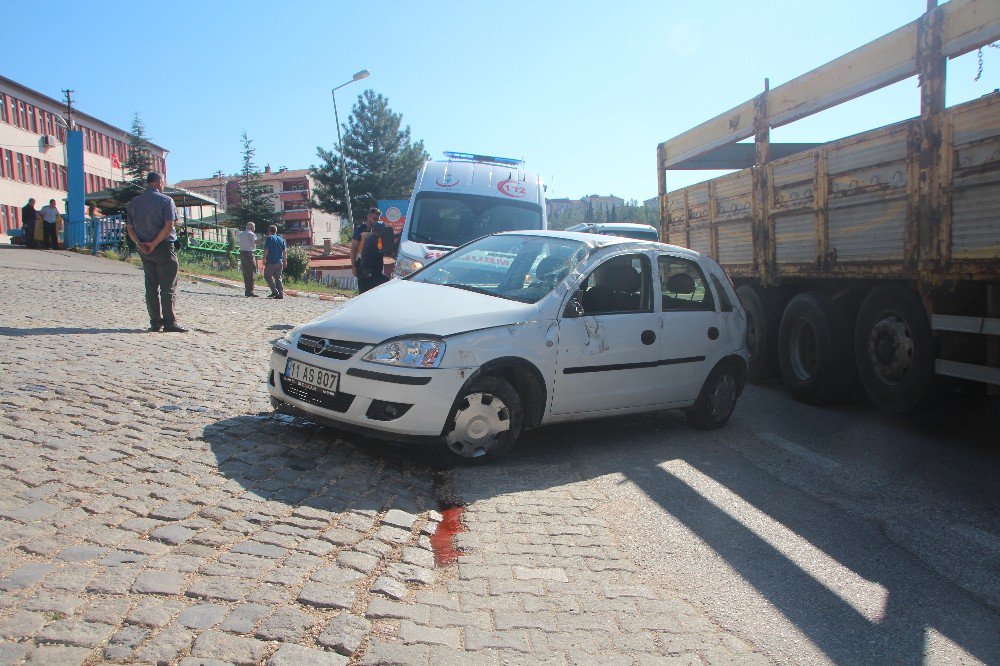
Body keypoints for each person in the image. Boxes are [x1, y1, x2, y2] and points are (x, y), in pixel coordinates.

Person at [126, 172, 187, 333]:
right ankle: (169, 321)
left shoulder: (134, 203)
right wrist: (154, 243)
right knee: (168, 286)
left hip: (144, 249)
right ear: (159, 182)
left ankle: (154, 321)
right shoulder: (166, 201)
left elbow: (130, 228)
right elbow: (168, 226)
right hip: (163, 247)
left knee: (151, 286)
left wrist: (141, 243)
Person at [351, 207, 396, 293]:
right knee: (364, 292)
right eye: (374, 218)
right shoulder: (360, 229)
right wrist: (353, 266)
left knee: (378, 291)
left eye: (378, 219)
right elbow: (353, 249)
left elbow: (387, 247)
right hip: (363, 264)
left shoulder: (381, 230)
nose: (376, 221)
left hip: (377, 264)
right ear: (368, 217)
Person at [263, 225, 286, 299]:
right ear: (276, 231)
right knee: (278, 278)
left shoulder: (269, 238)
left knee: (267, 276)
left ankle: (274, 291)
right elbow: (284, 251)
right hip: (280, 261)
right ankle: (281, 294)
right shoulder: (281, 239)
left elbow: (267, 249)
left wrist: (264, 259)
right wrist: (285, 261)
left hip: (271, 261)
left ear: (269, 231)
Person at [236, 222, 259, 297]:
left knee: (245, 272)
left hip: (242, 254)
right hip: (249, 254)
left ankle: (247, 290)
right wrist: (265, 237)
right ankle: (250, 291)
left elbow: (239, 242)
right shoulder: (251, 234)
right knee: (252, 272)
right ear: (252, 227)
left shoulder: (241, 234)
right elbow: (255, 243)